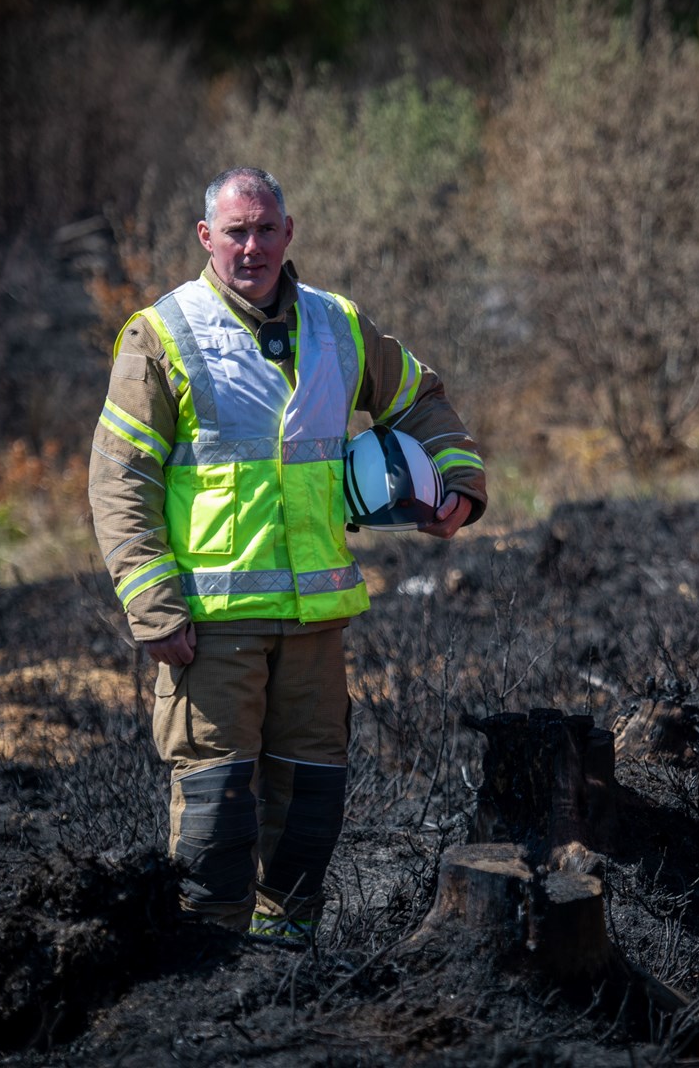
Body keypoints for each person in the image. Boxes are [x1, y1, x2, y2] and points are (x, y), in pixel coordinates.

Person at [89, 166, 486, 944]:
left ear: (288, 233)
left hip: (314, 624)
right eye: (235, 231)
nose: (252, 245)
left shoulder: (337, 324)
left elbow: (421, 397)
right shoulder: (162, 332)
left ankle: (286, 978)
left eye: (265, 228)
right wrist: (152, 605)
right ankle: (208, 982)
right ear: (207, 238)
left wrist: (458, 485)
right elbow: (118, 479)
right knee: (216, 814)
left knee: (310, 813)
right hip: (211, 625)